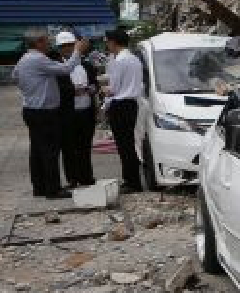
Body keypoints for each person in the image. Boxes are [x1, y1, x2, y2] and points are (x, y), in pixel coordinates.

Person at [12, 30, 89, 199]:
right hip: (45, 111)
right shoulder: (38, 59)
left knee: (37, 150)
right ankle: (53, 189)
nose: (49, 44)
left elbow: (15, 77)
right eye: (46, 41)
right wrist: (77, 50)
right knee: (50, 151)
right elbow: (66, 68)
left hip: (31, 108)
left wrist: (32, 90)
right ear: (38, 42)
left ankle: (39, 187)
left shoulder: (24, 59)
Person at [103, 29, 145, 193]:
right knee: (128, 143)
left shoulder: (118, 61)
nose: (107, 45)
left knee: (124, 146)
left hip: (120, 104)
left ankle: (132, 182)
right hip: (132, 104)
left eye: (108, 42)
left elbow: (114, 88)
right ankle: (132, 180)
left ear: (114, 42)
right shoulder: (134, 59)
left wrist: (105, 91)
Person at [54, 32, 98, 188]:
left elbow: (94, 84)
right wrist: (75, 91)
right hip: (68, 114)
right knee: (68, 148)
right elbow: (58, 89)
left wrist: (92, 89)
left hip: (86, 111)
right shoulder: (57, 66)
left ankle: (86, 176)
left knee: (85, 146)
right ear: (59, 48)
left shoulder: (87, 65)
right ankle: (72, 178)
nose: (67, 49)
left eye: (70, 45)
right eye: (63, 46)